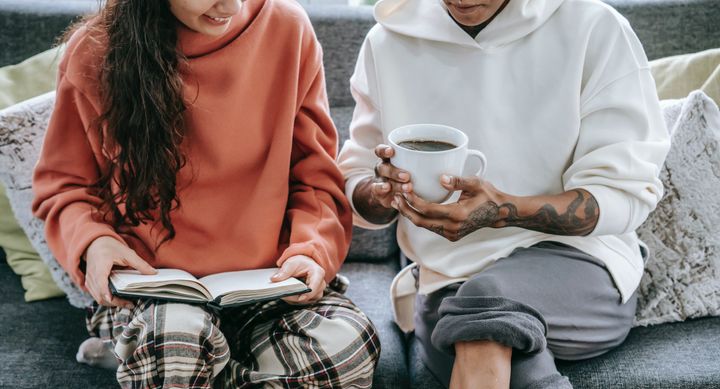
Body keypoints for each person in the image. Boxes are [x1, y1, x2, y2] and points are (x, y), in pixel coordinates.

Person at [32, 0, 380, 387]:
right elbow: (64, 187)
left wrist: (310, 250)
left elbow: (315, 178)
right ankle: (168, 359)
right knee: (177, 339)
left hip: (268, 284)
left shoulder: (287, 28)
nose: (231, 5)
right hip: (156, 288)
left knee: (348, 348)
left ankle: (150, 365)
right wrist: (94, 243)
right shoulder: (94, 50)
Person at [337, 0, 670, 388]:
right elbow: (357, 178)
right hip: (447, 282)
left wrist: (505, 212)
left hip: (581, 264)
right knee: (504, 353)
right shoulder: (388, 41)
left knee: (482, 308)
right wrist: (382, 193)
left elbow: (622, 195)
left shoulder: (594, 26)